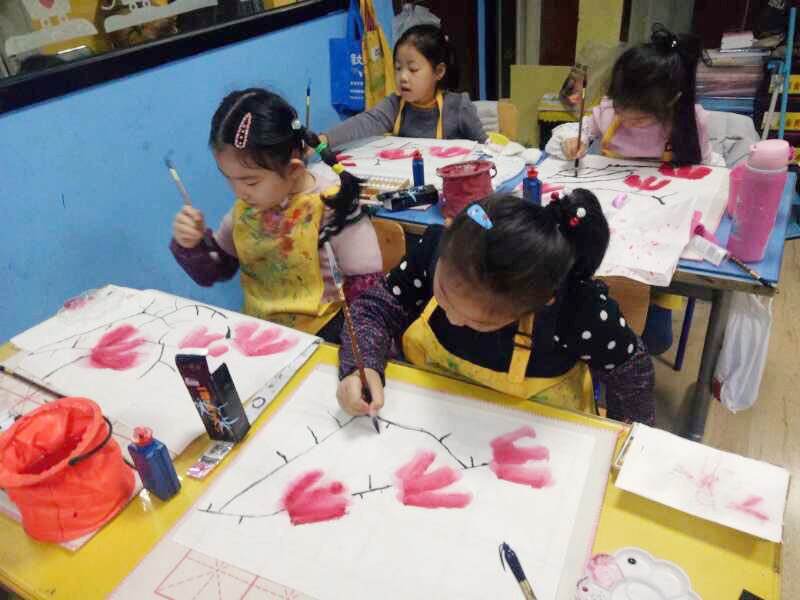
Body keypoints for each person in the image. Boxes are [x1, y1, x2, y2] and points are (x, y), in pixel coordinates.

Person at [336, 192, 655, 425]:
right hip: (434, 414)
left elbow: (631, 372)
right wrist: (362, 365)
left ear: (539, 303)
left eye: (477, 321)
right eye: (443, 294)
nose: (452, 318)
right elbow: (374, 309)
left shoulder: (577, 310)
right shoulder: (435, 250)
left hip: (538, 440)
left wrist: (623, 442)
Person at [170, 88, 383, 341]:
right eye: (229, 179)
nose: (239, 192)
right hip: (260, 335)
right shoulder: (247, 209)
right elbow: (217, 268)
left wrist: (355, 346)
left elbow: (367, 293)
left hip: (324, 335)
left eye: (250, 182)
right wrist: (192, 245)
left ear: (294, 170)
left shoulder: (332, 205)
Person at [546, 24, 722, 166]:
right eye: (619, 110)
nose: (627, 121)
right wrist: (572, 140)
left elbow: (707, 168)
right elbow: (574, 130)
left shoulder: (690, 121)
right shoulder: (608, 113)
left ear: (671, 101)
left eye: (639, 119)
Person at [321, 24, 486, 147]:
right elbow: (364, 123)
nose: (403, 77)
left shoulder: (459, 107)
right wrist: (324, 139)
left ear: (438, 72)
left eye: (413, 69)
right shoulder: (394, 105)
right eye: (398, 68)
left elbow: (485, 150)